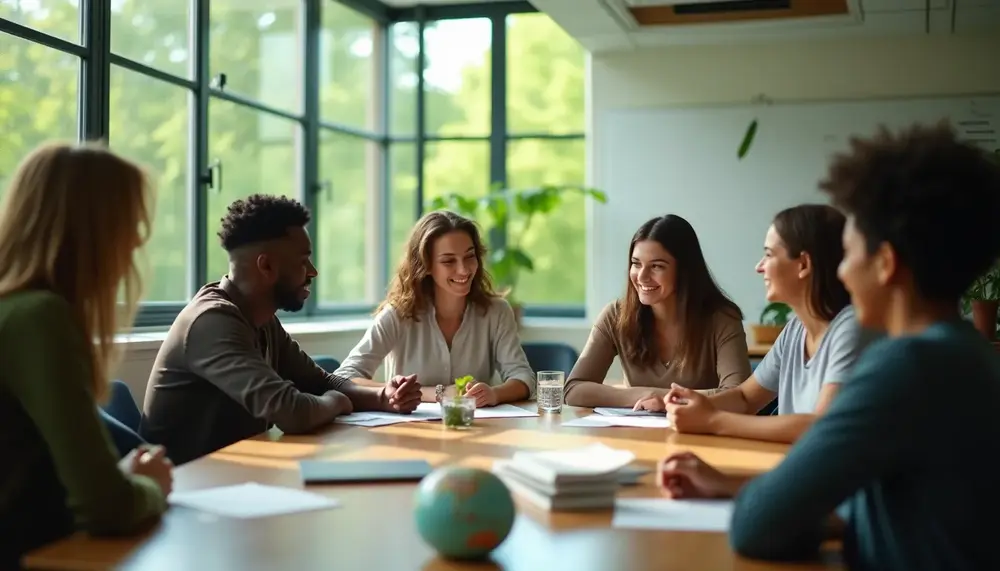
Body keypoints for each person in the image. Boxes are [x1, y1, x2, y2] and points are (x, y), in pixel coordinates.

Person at [655, 123, 1000, 571]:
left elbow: (756, 526)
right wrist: (731, 483)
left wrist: (753, 494)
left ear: (885, 264)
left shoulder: (908, 366)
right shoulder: (964, 352)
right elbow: (886, 504)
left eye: (850, 254)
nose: (840, 274)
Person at [140, 194, 421, 465]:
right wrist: (337, 402)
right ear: (267, 266)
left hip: (238, 477)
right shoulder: (212, 322)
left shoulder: (262, 318)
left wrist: (384, 397)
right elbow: (292, 412)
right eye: (302, 261)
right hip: (187, 491)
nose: (313, 271)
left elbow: (320, 382)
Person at [0, 142, 172, 567]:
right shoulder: (41, 318)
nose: (135, 241)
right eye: (127, 223)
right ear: (91, 228)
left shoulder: (17, 311)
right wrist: (148, 486)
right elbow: (105, 509)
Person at [650, 204, 873, 444]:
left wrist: (712, 420)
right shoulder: (795, 330)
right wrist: (693, 404)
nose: (759, 267)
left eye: (768, 254)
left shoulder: (851, 329)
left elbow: (822, 427)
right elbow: (746, 398)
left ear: (803, 265)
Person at [335, 210, 535, 407]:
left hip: (476, 429)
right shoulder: (398, 314)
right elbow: (343, 378)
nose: (464, 269)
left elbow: (524, 377)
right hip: (408, 433)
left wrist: (494, 394)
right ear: (426, 265)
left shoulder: (496, 311)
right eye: (449, 261)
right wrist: (434, 393)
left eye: (469, 256)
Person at [564, 215, 751, 408]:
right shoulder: (615, 315)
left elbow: (739, 396)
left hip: (699, 435)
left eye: (656, 266)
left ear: (684, 270)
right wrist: (645, 395)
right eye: (636, 264)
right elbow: (573, 390)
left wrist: (664, 400)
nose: (642, 276)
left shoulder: (722, 319)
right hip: (636, 435)